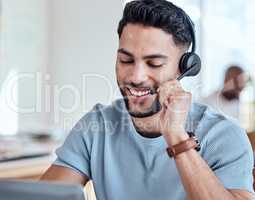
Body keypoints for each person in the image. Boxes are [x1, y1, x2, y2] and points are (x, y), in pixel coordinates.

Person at [41, 1, 254, 199]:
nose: (135, 76)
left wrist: (177, 137)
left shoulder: (224, 135)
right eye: (126, 60)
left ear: (185, 68)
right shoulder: (97, 127)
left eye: (153, 63)